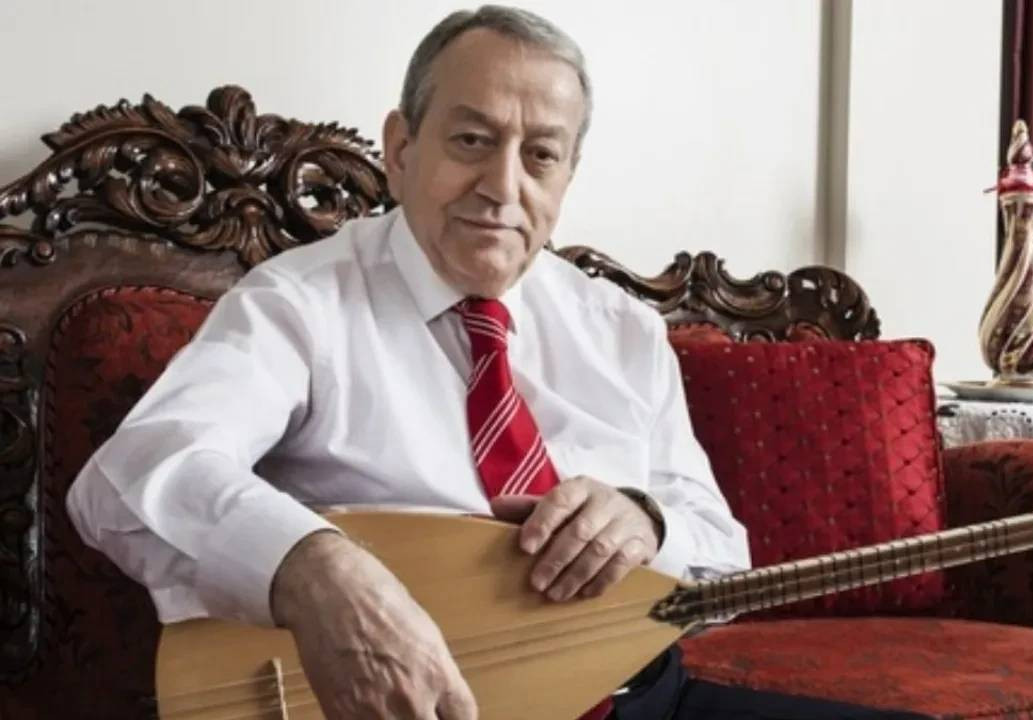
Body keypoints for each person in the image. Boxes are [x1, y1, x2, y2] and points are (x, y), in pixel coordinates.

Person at [67, 6, 928, 719]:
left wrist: (647, 521)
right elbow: (131, 474)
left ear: (568, 175)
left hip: (637, 699)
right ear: (401, 148)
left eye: (540, 155)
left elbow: (722, 558)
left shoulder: (622, 330)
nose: (503, 186)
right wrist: (314, 570)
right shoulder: (298, 303)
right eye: (472, 140)